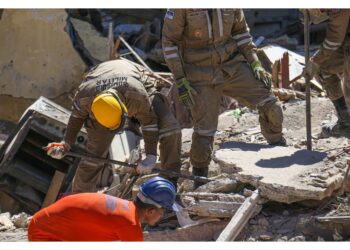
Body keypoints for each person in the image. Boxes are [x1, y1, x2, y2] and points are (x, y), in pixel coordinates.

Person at [162, 9, 285, 188]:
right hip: (200, 72)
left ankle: (278, 148)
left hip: (231, 66)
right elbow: (169, 42)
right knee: (204, 134)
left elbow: (241, 33)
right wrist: (180, 79)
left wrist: (254, 61)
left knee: (271, 105)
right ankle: (200, 180)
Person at [46, 58, 181, 192]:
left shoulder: (136, 95)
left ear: (124, 109)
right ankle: (78, 199)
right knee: (93, 156)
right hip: (98, 78)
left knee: (170, 129)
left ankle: (170, 180)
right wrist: (66, 144)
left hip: (135, 80)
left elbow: (149, 122)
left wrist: (151, 156)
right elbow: (75, 119)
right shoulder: (84, 98)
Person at [28, 177, 178, 241]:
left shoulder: (125, 208)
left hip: (43, 224)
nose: (163, 215)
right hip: (44, 235)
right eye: (163, 210)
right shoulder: (130, 225)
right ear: (150, 211)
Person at [302, 9, 350, 137]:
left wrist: (315, 61)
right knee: (323, 68)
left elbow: (334, 39)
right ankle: (346, 122)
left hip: (342, 38)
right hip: (346, 39)